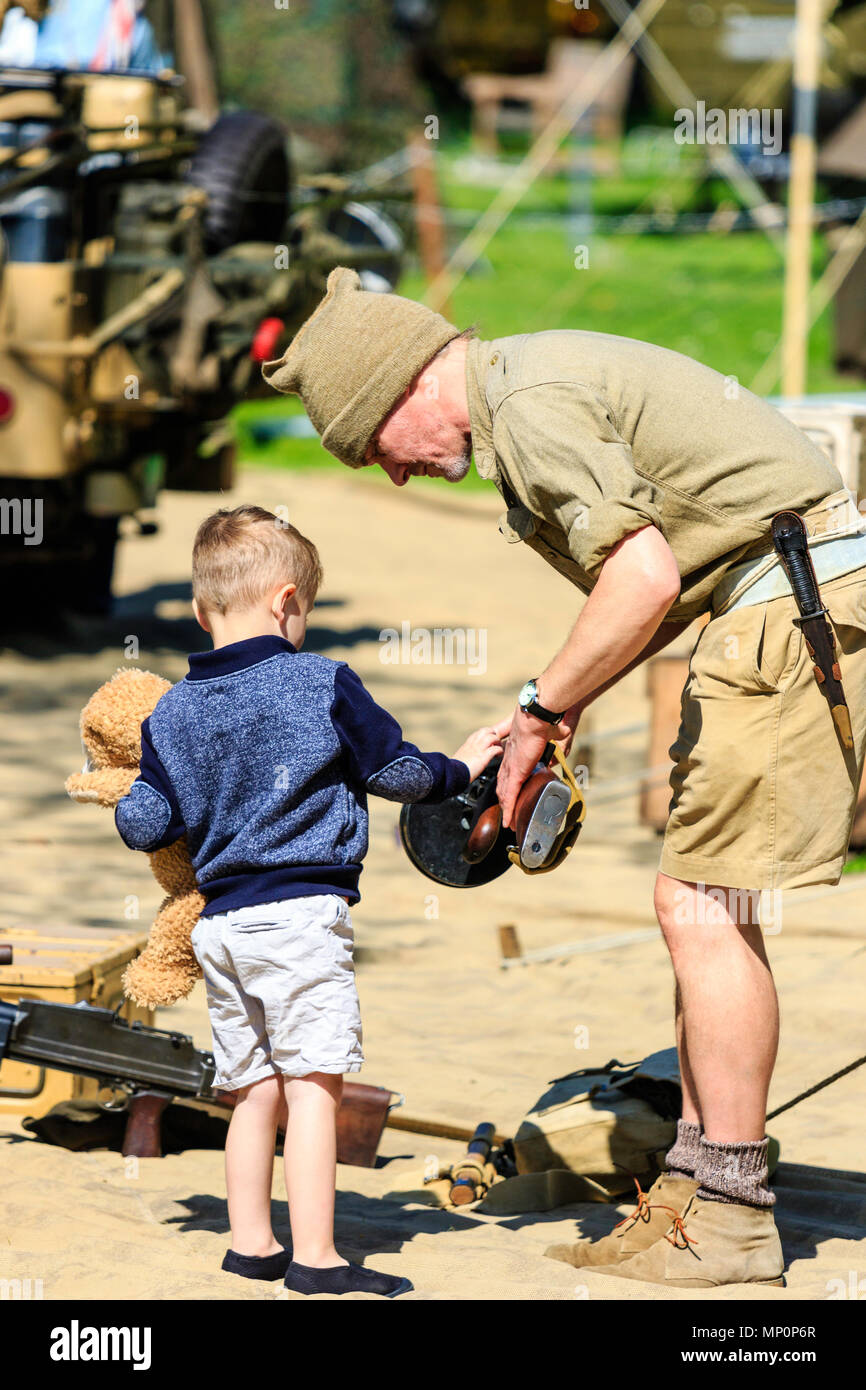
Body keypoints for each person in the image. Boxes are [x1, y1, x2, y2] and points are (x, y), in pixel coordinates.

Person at [261, 267, 866, 1289]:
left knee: (704, 904)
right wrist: (549, 712)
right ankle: (696, 1182)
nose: (396, 479)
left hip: (791, 609)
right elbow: (653, 588)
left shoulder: (530, 407)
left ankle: (728, 1210)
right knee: (698, 898)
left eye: (376, 453)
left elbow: (643, 577)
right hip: (776, 599)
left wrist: (544, 705)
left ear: (404, 391)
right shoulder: (527, 385)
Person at [115, 503, 503, 1297]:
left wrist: (126, 786)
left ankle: (251, 1244)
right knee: (314, 1084)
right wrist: (461, 767)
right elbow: (397, 774)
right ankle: (318, 1258)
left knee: (250, 1087)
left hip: (221, 927)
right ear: (288, 602)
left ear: (200, 611)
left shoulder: (171, 712)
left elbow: (147, 823)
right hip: (298, 917)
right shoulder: (321, 681)